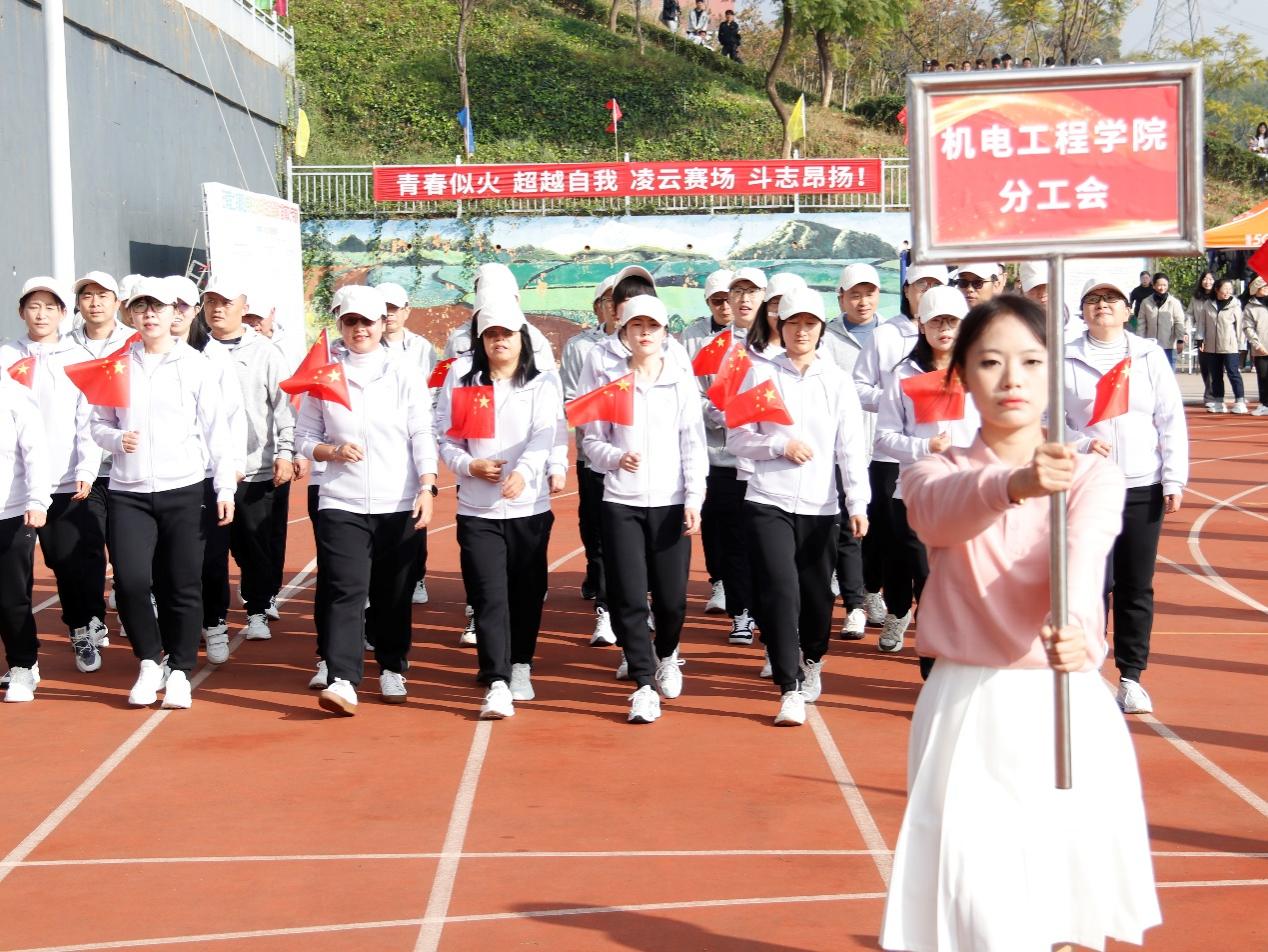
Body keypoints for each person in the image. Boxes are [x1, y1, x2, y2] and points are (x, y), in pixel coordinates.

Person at [880, 294, 1160, 951]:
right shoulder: (933, 471)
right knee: (977, 903)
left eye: (1032, 361)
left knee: (1064, 901)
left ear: (1053, 372)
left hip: (1063, 697)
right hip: (967, 704)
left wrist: (1074, 627)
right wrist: (1015, 485)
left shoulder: (1093, 475)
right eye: (991, 362)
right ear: (960, 376)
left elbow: (1082, 556)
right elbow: (939, 516)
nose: (1012, 379)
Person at [90, 277, 237, 710]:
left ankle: (180, 671)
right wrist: (116, 440)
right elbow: (97, 423)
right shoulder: (117, 364)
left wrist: (225, 486)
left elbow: (218, 430)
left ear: (175, 313)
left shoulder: (196, 365)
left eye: (158, 307)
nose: (150, 314)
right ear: (130, 314)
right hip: (129, 492)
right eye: (141, 307)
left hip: (184, 488)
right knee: (132, 581)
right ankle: (148, 661)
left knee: (182, 583)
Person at [727, 288, 869, 725]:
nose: (801, 331)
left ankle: (812, 660)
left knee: (816, 596)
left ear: (821, 328)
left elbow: (850, 447)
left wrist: (857, 502)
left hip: (821, 506)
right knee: (779, 589)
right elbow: (737, 437)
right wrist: (778, 445)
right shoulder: (759, 374)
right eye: (793, 323)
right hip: (767, 498)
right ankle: (788, 686)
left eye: (810, 324)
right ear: (780, 326)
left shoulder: (837, 381)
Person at [294, 285, 437, 715]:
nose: (360, 329)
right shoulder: (325, 375)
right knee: (345, 588)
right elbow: (305, 438)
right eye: (351, 321)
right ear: (340, 324)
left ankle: (392, 665)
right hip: (342, 499)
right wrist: (331, 452)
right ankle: (343, 678)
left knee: (393, 592)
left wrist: (427, 486)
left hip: (398, 500)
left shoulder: (404, 371)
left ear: (381, 323)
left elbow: (421, 431)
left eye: (368, 321)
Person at [580, 295, 707, 724]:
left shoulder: (680, 380)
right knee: (629, 596)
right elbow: (592, 441)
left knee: (672, 600)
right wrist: (616, 457)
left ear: (665, 332)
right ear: (625, 333)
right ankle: (643, 684)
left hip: (670, 503)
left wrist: (694, 498)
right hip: (622, 501)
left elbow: (693, 444)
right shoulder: (612, 382)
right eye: (637, 326)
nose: (645, 333)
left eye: (653, 326)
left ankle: (667, 654)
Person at [1065, 276, 1187, 715]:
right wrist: (1080, 443)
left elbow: (1170, 418)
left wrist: (1173, 479)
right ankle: (1088, 670)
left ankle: (1131, 677)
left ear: (1127, 309)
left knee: (1136, 584)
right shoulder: (1064, 358)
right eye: (1094, 300)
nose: (1103, 305)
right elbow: (1045, 419)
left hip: (1141, 484)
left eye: (1112, 299)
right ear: (1083, 312)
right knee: (1092, 582)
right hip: (1088, 485)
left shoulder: (1148, 355)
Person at [438, 300, 562, 719]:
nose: (499, 341)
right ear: (481, 340)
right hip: (479, 510)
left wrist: (525, 473)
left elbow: (545, 433)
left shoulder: (541, 383)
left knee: (526, 593)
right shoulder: (463, 379)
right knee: (489, 595)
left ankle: (521, 663)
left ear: (521, 338)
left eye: (507, 333)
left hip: (529, 508)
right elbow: (447, 438)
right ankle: (496, 680)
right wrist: (468, 465)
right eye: (491, 334)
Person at [1, 278, 108, 674]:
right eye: (34, 306)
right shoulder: (6, 356)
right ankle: (22, 657)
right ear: (21, 312)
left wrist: (86, 467)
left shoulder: (77, 357)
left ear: (63, 313)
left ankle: (81, 628)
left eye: (50, 306)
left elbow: (89, 417)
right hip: (15, 487)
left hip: (64, 480)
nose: (41, 314)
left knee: (68, 564)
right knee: (14, 576)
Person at [874, 287, 979, 668]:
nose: (945, 329)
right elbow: (884, 437)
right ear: (922, 325)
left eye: (952, 321)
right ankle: (934, 666)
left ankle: (960, 661)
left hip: (968, 495)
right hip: (917, 495)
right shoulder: (903, 374)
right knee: (930, 580)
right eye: (936, 322)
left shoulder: (981, 370)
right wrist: (924, 447)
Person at [853, 262, 945, 649]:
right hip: (893, 460)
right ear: (906, 290)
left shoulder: (966, 352)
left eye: (935, 284)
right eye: (920, 284)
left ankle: (935, 622)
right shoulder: (885, 335)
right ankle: (898, 610)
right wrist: (904, 399)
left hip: (945, 471)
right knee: (896, 543)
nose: (926, 291)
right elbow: (860, 387)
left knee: (933, 554)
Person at [202, 285, 296, 662]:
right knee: (210, 550)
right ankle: (212, 619)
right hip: (207, 469)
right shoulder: (195, 350)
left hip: (256, 468)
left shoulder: (265, 352)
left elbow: (284, 407)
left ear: (244, 307)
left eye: (226, 302)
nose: (217, 309)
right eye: (211, 302)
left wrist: (285, 452)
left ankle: (257, 608)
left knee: (255, 545)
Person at [680, 269, 756, 644]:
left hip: (769, 462)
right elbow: (691, 393)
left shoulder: (777, 343)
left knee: (764, 543)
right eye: (728, 296)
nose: (735, 303)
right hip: (721, 457)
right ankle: (740, 610)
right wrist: (716, 413)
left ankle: (773, 616)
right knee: (731, 537)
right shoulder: (710, 344)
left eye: (748, 293)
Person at [560, 275, 620, 645]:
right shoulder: (581, 347)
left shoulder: (655, 345)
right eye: (610, 299)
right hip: (593, 454)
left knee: (625, 534)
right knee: (594, 525)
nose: (617, 305)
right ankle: (598, 578)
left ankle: (615, 602)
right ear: (598, 307)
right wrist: (609, 412)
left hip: (637, 461)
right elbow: (571, 399)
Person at [375, 281, 437, 607]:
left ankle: (417, 574)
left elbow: (433, 390)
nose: (388, 315)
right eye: (383, 308)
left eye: (394, 309)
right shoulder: (366, 346)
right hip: (378, 439)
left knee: (415, 508)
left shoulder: (422, 348)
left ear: (406, 311)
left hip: (413, 436)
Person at [0, 373, 50, 702]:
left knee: (10, 597)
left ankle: (23, 664)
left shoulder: (14, 395)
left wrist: (37, 500)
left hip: (10, 511)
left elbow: (36, 452)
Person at [1198, 277, 1247, 413]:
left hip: (1230, 346)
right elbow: (1202, 324)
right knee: (1216, 375)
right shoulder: (1208, 305)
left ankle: (1240, 402)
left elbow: (1240, 327)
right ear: (1217, 289)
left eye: (1230, 289)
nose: (1227, 292)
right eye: (1225, 289)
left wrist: (1242, 346)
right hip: (1212, 347)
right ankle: (1219, 403)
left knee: (1233, 373)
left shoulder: (1235, 305)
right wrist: (1200, 339)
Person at [1018, 260, 1085, 342]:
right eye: (1035, 287)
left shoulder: (1080, 323)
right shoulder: (1015, 324)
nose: (1042, 293)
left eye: (1048, 285)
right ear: (1022, 289)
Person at [1136, 272, 1187, 368]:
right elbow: (1141, 323)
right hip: (1151, 346)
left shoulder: (1174, 303)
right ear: (1154, 286)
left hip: (1169, 346)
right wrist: (1140, 341)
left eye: (1164, 285)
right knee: (1151, 372)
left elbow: (1179, 322)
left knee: (1169, 373)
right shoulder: (1146, 302)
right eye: (1159, 285)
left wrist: (1180, 340)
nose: (1162, 287)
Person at [1189, 270, 1217, 403]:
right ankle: (1210, 391)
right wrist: (1186, 330)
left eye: (1211, 279)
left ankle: (1210, 395)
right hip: (1201, 336)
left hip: (1216, 336)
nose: (1208, 282)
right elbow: (1189, 314)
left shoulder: (1218, 296)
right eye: (1205, 279)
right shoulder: (1196, 298)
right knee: (1204, 366)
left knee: (1214, 366)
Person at [1242, 276, 1268, 414]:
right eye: (1264, 286)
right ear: (1256, 289)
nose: (1267, 288)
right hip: (1261, 348)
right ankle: (1265, 404)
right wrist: (1257, 345)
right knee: (1263, 377)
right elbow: (1248, 328)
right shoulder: (1250, 307)